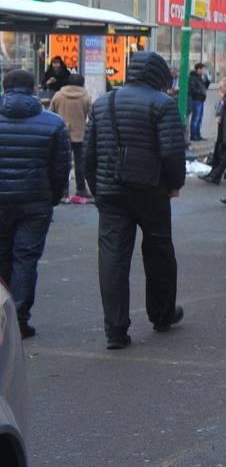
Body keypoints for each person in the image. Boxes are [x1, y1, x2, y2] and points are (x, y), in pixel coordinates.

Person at [83, 50, 187, 348]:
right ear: (158, 75)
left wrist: (97, 187)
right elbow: (171, 151)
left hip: (110, 191)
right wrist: (174, 184)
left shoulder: (103, 103)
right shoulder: (162, 104)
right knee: (159, 252)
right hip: (150, 190)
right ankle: (162, 313)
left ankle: (115, 329)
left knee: (112, 257)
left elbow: (88, 154)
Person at [0, 69, 72, 339]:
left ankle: (1, 315)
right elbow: (61, 168)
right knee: (25, 259)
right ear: (34, 89)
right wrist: (50, 197)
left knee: (2, 258)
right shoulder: (52, 123)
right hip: (35, 202)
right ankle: (19, 317)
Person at [48, 78, 93, 202]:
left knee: (63, 163)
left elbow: (51, 113)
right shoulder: (86, 96)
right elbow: (91, 115)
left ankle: (63, 190)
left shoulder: (59, 95)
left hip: (61, 133)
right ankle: (81, 188)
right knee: (79, 162)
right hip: (80, 133)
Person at [187, 64, 210, 141]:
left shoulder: (200, 78)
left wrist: (207, 80)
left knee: (199, 118)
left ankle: (198, 134)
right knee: (196, 118)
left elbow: (205, 86)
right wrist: (200, 93)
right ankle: (193, 135)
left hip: (201, 99)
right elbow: (192, 88)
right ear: (198, 69)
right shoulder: (193, 77)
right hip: (196, 99)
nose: (204, 71)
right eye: (203, 69)